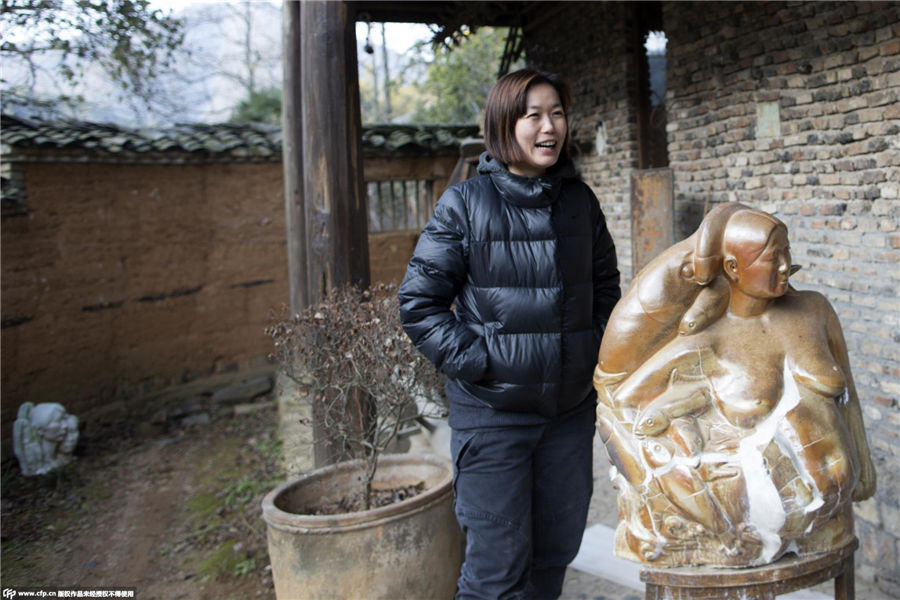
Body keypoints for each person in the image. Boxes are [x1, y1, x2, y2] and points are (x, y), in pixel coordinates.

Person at [398, 69, 621, 599]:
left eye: (558, 113)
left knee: (552, 557)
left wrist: (589, 351)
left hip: (567, 417)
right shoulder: (465, 204)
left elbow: (607, 289)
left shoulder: (579, 203)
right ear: (504, 124)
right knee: (495, 572)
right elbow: (418, 304)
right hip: (493, 419)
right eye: (534, 115)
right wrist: (483, 363)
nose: (550, 127)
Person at [593, 203, 876, 567]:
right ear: (732, 268)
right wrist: (675, 456)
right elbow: (619, 401)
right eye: (773, 257)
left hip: (830, 520)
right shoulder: (705, 343)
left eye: (787, 252)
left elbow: (848, 397)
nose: (786, 265)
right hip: (755, 526)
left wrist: (865, 472)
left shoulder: (814, 310)